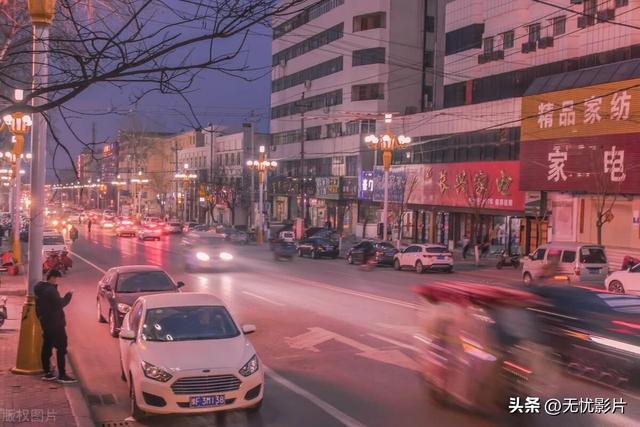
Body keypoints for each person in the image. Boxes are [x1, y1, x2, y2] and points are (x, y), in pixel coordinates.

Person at [34, 270, 76, 383]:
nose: (58, 280)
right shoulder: (50, 290)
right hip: (55, 324)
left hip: (46, 323)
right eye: (57, 278)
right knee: (62, 347)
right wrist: (69, 295)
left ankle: (47, 372)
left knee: (47, 347)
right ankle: (62, 375)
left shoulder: (40, 288)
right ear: (52, 277)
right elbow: (60, 303)